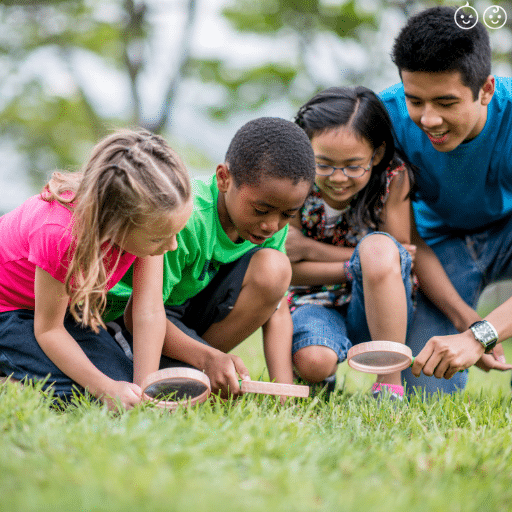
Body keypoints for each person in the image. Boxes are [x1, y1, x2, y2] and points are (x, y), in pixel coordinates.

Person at [106, 117, 316, 398]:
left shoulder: (270, 225)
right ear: (224, 178)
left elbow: (277, 309)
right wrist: (208, 358)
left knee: (276, 269)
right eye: (261, 210)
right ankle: (194, 365)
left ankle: (195, 366)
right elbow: (141, 314)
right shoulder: (184, 218)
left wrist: (285, 391)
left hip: (188, 314)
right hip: (133, 317)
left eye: (288, 214)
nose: (272, 225)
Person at [0, 129, 192, 410]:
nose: (172, 246)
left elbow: (148, 309)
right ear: (115, 222)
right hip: (10, 311)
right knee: (89, 395)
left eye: (176, 233)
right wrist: (106, 389)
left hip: (54, 313)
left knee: (121, 381)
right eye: (159, 239)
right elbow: (49, 330)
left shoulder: (151, 223)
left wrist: (144, 392)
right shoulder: (60, 234)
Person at [380, 6, 512, 393]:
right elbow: (408, 239)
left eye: (447, 103)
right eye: (415, 100)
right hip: (440, 249)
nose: (429, 119)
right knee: (426, 385)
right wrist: (465, 318)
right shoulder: (385, 119)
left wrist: (480, 337)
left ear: (485, 90)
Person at [286, 86, 415, 400]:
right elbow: (287, 268)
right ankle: (320, 373)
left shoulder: (392, 179)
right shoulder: (292, 181)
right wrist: (354, 267)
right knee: (314, 361)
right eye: (324, 164)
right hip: (313, 302)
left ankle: (389, 384)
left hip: (380, 308)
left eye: (353, 166)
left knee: (379, 249)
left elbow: (394, 258)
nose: (338, 177)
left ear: (378, 154)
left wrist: (312, 250)